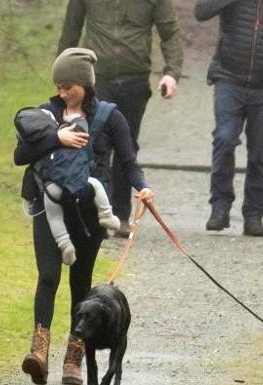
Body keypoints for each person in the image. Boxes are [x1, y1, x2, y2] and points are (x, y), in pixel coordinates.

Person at [13, 48, 153, 385]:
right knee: (48, 277)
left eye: (68, 87)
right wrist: (54, 137)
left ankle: (74, 358)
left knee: (80, 285)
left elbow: (128, 159)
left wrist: (143, 188)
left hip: (89, 212)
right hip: (49, 206)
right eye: (58, 86)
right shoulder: (46, 114)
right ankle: (39, 351)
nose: (61, 93)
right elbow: (20, 155)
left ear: (85, 84)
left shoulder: (109, 116)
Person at [58, 0, 183, 238]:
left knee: (126, 146)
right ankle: (92, 212)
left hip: (134, 80)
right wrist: (63, 79)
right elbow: (70, 31)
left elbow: (170, 32)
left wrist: (171, 73)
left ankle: (121, 214)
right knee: (93, 145)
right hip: (96, 80)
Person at [194, 0, 263, 236]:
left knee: (260, 152)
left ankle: (254, 214)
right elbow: (201, 12)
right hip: (228, 78)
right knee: (224, 139)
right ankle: (220, 207)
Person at [14, 108, 121, 265]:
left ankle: (64, 244)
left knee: (54, 217)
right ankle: (106, 215)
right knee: (96, 185)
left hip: (50, 189)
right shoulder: (67, 132)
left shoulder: (33, 144)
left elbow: (21, 158)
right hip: (75, 183)